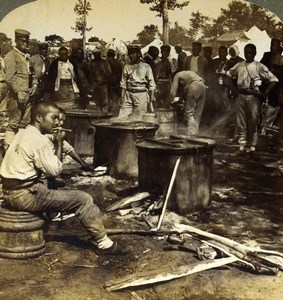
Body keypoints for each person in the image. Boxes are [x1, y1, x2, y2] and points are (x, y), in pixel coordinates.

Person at [0, 101, 132, 255]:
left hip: (9, 191)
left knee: (51, 183)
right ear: (39, 118)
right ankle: (105, 244)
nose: (57, 122)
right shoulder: (39, 140)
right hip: (24, 195)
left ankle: (52, 222)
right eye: (54, 118)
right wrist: (59, 143)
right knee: (82, 199)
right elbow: (55, 170)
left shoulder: (23, 133)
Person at [226, 43, 278, 158]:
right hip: (240, 96)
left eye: (251, 52)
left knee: (253, 122)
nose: (248, 54)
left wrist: (264, 93)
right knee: (241, 122)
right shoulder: (239, 65)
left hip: (253, 97)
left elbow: (273, 79)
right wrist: (233, 89)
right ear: (244, 53)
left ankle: (252, 147)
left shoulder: (259, 66)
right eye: (247, 52)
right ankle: (242, 146)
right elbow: (228, 75)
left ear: (255, 53)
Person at [3, 29, 37, 149]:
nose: (25, 43)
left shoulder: (27, 57)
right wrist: (18, 92)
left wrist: (34, 85)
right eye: (22, 41)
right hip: (16, 97)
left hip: (28, 94)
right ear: (16, 41)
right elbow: (9, 78)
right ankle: (7, 150)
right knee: (13, 124)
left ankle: (18, 150)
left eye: (26, 41)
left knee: (25, 123)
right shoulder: (11, 56)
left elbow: (33, 74)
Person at [118, 44, 156, 120]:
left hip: (141, 95)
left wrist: (151, 96)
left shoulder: (146, 66)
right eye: (130, 54)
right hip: (128, 95)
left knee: (140, 118)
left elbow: (151, 83)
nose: (131, 56)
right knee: (122, 117)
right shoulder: (126, 67)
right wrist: (122, 97)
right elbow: (123, 83)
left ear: (138, 54)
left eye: (133, 53)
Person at [169, 70, 206, 135]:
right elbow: (186, 92)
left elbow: (172, 92)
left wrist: (170, 102)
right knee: (198, 112)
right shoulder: (190, 73)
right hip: (203, 86)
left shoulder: (177, 75)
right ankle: (195, 132)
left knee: (189, 112)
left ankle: (192, 133)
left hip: (194, 86)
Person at [89, 47, 112, 112]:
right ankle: (99, 113)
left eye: (97, 53)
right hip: (95, 84)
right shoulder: (92, 63)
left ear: (100, 54)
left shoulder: (104, 62)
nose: (96, 55)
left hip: (103, 84)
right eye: (95, 54)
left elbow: (109, 72)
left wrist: (107, 81)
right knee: (97, 101)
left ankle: (104, 113)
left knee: (104, 101)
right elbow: (90, 74)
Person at [106, 48, 123, 116]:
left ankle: (109, 113)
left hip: (108, 83)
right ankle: (115, 113)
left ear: (108, 55)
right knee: (116, 99)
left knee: (109, 98)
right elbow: (122, 73)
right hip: (117, 83)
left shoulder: (106, 62)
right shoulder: (119, 63)